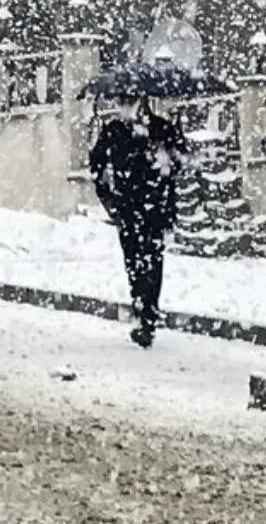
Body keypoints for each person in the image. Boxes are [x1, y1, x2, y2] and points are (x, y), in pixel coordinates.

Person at [88, 95, 189, 349]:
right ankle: (140, 306)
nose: (125, 106)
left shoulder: (161, 128)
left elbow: (182, 159)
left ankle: (148, 317)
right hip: (128, 209)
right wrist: (109, 200)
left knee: (152, 260)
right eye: (121, 102)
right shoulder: (113, 131)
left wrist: (165, 161)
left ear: (142, 102)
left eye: (130, 101)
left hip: (156, 208)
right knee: (133, 260)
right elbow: (96, 164)